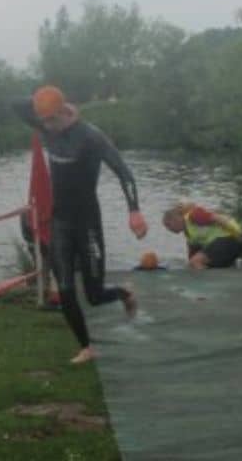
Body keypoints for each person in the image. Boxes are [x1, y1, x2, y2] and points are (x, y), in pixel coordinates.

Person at [13, 85, 147, 365]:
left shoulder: (91, 137)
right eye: (43, 121)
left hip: (87, 222)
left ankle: (124, 293)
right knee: (64, 289)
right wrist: (42, 97)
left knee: (94, 294)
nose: (47, 127)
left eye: (52, 120)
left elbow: (125, 173)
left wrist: (134, 211)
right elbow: (14, 104)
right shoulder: (43, 122)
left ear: (64, 112)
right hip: (61, 220)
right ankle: (87, 347)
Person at [162, 202, 242, 269]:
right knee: (194, 263)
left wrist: (238, 233)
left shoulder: (193, 215)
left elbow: (217, 218)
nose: (168, 229)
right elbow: (192, 256)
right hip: (220, 247)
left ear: (175, 219)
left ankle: (206, 286)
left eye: (168, 225)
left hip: (229, 240)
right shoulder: (189, 236)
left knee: (196, 262)